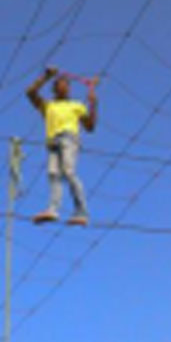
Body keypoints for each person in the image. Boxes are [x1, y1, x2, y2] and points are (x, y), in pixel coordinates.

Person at [26, 66, 98, 226]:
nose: (64, 87)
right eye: (60, 84)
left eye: (66, 85)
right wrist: (45, 76)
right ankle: (52, 209)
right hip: (52, 142)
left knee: (69, 172)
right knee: (53, 175)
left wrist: (93, 105)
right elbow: (30, 93)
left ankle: (82, 212)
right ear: (54, 89)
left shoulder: (77, 105)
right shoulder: (48, 106)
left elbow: (90, 126)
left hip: (68, 138)